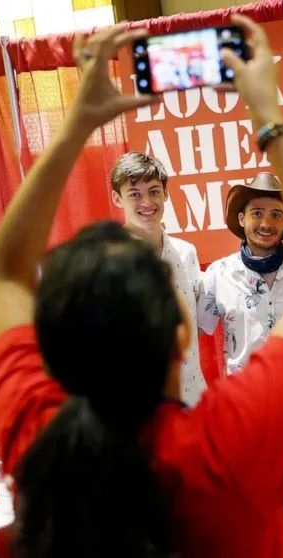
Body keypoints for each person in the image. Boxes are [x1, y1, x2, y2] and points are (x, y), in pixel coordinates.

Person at [0, 16, 283, 557]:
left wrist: (75, 126)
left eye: (153, 191)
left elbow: (3, 273)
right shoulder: (229, 439)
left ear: (55, 346)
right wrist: (269, 119)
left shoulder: (37, 434)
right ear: (181, 331)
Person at [197, 172, 283, 558]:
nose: (266, 222)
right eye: (257, 212)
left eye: (277, 214)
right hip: (243, 413)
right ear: (241, 218)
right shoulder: (217, 276)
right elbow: (197, 326)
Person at [109, 151, 205, 406]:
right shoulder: (107, 261)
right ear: (117, 198)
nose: (147, 202)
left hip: (193, 399)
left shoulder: (186, 253)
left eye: (154, 191)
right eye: (134, 194)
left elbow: (194, 324)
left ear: (166, 193)